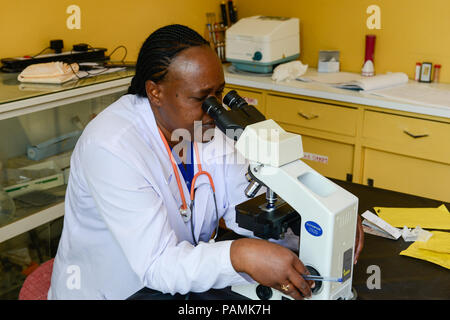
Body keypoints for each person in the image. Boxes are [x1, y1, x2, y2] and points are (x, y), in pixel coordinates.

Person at [48, 24, 364, 300]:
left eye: (220, 94)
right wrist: (239, 255)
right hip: (118, 290)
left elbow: (246, 204)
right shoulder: (112, 146)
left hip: (179, 283)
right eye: (202, 99)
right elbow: (157, 264)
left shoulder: (204, 127)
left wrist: (316, 220)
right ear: (155, 92)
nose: (214, 109)